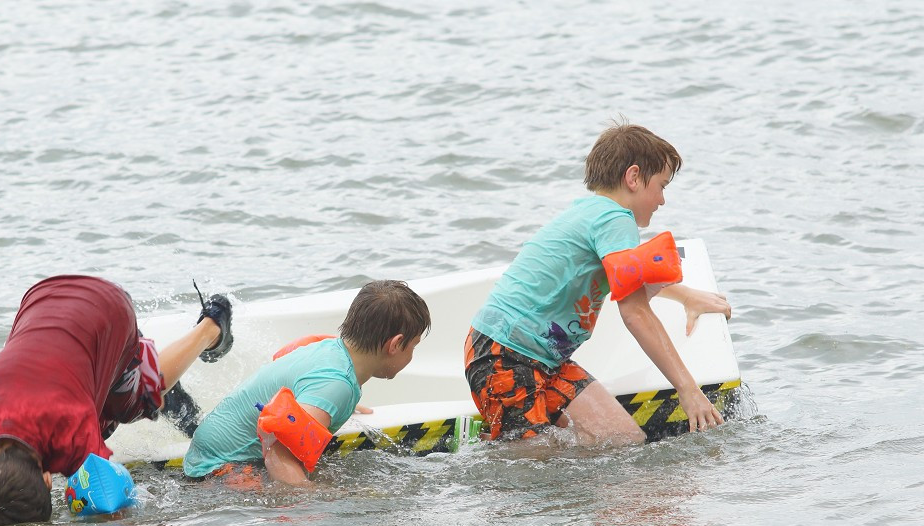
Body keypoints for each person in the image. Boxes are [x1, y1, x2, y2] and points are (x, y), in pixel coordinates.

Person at [465, 122, 732, 445]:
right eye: (661, 186)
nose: (662, 200)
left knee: (621, 440)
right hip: (504, 354)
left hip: (542, 359)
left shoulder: (595, 213)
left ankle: (497, 438)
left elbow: (629, 279)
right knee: (532, 471)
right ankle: (484, 446)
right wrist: (688, 390)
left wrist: (686, 296)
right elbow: (635, 312)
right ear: (633, 178)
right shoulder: (616, 219)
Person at [0, 275, 233, 526]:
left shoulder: (71, 431)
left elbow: (114, 503)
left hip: (108, 307)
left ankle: (211, 326)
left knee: (128, 405)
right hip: (41, 296)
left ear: (45, 480)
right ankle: (134, 364)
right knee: (96, 392)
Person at [183, 280, 431, 487]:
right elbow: (278, 456)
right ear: (395, 344)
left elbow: (302, 390)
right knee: (330, 498)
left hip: (207, 448)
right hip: (218, 470)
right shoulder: (336, 386)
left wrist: (321, 407)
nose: (412, 354)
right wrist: (311, 498)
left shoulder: (330, 352)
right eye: (414, 346)